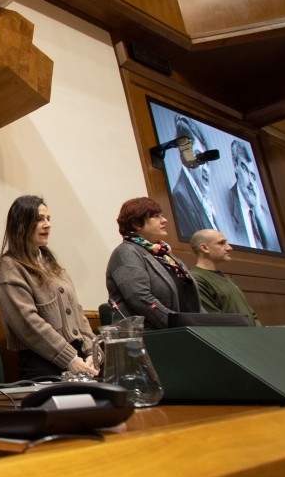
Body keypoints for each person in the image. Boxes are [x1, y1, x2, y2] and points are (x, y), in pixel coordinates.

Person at [0, 195, 98, 381]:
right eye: (39, 219)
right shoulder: (10, 266)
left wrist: (92, 352)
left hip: (78, 359)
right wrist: (70, 359)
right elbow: (27, 323)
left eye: (48, 219)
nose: (47, 224)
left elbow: (77, 312)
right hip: (42, 364)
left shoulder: (50, 262)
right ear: (21, 224)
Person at [106, 197, 199, 330]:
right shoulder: (126, 252)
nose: (164, 220)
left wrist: (203, 326)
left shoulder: (165, 254)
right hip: (149, 336)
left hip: (186, 331)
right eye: (156, 216)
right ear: (136, 223)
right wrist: (178, 325)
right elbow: (140, 298)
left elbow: (191, 298)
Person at [189, 229, 262, 326]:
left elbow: (250, 313)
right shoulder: (196, 279)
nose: (229, 248)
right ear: (204, 248)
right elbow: (214, 319)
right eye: (221, 243)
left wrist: (258, 331)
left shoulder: (226, 278)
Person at [169, 115, 222, 240]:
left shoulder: (203, 198)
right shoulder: (180, 197)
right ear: (185, 157)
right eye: (199, 156)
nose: (206, 168)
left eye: (206, 160)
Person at [227, 140, 277, 251]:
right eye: (245, 170)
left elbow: (272, 249)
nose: (251, 182)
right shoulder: (226, 206)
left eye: (253, 176)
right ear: (235, 166)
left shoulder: (263, 214)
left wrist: (258, 212)